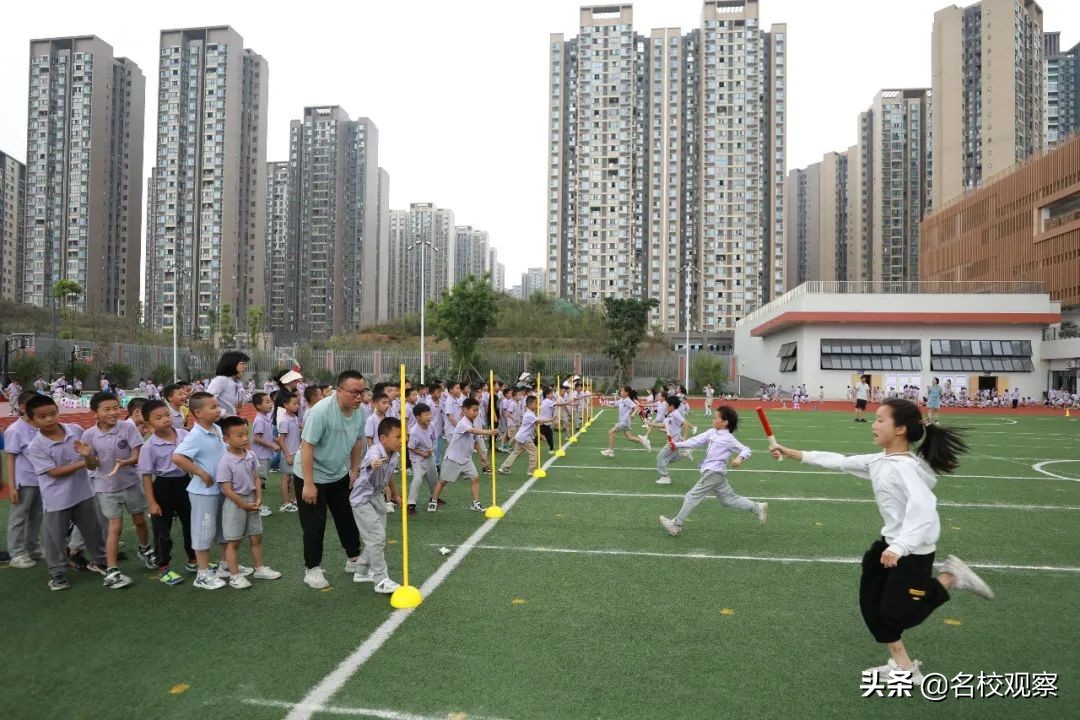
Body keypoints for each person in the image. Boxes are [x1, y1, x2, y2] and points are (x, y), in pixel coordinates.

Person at [769, 398, 995, 685]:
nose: (873, 426)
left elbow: (924, 508)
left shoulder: (904, 468)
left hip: (912, 552)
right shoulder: (882, 461)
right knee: (873, 607)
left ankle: (951, 578)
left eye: (880, 420)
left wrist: (900, 547)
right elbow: (839, 461)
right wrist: (792, 453)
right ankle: (902, 666)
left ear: (900, 429)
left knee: (899, 614)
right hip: (889, 547)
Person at [24, 395, 109, 590]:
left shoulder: (76, 430)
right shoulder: (36, 446)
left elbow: (92, 462)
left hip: (83, 492)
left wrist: (89, 458)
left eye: (53, 414)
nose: (49, 419)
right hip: (57, 499)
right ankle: (57, 574)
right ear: (31, 420)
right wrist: (83, 461)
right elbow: (53, 472)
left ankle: (100, 561)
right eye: (42, 416)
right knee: (55, 538)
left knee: (93, 531)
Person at [293, 370, 366, 590]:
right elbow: (307, 446)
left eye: (362, 392)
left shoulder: (360, 411)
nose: (359, 397)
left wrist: (354, 470)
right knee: (315, 525)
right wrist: (308, 483)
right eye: (354, 392)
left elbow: (357, 441)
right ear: (339, 391)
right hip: (311, 475)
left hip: (338, 474)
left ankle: (354, 559)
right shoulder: (321, 411)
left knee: (346, 518)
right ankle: (312, 569)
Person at [172, 392, 242, 591]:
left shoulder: (216, 429)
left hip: (219, 489)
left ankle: (225, 565)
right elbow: (178, 457)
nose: (218, 409)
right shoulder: (195, 435)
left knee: (222, 529)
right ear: (198, 413)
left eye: (217, 405)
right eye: (212, 407)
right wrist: (200, 472)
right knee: (204, 531)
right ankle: (202, 574)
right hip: (204, 492)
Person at [82, 392, 153, 588]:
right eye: (107, 409)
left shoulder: (128, 428)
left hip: (130, 483)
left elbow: (137, 455)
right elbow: (91, 466)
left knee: (140, 520)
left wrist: (124, 462)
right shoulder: (89, 435)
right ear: (95, 412)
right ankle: (112, 570)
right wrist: (88, 456)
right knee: (116, 527)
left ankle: (145, 549)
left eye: (115, 408)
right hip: (105, 488)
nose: (113, 412)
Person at [659, 406, 765, 535]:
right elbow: (695, 441)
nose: (713, 420)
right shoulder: (711, 432)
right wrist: (676, 444)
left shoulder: (728, 438)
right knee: (728, 500)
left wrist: (739, 458)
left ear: (725, 422)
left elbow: (746, 449)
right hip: (714, 474)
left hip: (714, 473)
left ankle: (676, 524)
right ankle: (758, 507)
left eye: (716, 418)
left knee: (691, 496)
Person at [216, 416, 282, 589]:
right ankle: (235, 575)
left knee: (256, 536)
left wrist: (258, 498)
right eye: (239, 435)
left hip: (251, 500)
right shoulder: (225, 461)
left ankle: (259, 567)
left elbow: (256, 477)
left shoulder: (251, 455)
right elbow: (227, 489)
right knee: (234, 541)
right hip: (235, 503)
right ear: (226, 439)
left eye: (246, 434)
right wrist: (242, 504)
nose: (245, 438)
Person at [138, 399, 196, 586]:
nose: (165, 420)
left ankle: (193, 559)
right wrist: (152, 502)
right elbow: (146, 476)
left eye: (167, 415)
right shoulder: (149, 446)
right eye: (159, 418)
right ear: (148, 425)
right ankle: (164, 567)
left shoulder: (182, 434)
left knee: (191, 523)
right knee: (162, 530)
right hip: (163, 487)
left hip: (184, 484)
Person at [349, 416, 402, 594]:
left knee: (377, 536)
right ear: (383, 438)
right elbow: (372, 460)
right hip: (362, 499)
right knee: (377, 537)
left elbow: (389, 476)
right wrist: (374, 463)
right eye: (398, 437)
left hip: (377, 497)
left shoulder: (396, 455)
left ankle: (362, 571)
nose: (402, 440)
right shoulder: (375, 451)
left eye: (403, 436)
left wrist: (395, 494)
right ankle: (380, 579)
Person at [428, 398, 498, 512]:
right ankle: (433, 501)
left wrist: (482, 456)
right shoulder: (462, 423)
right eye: (473, 410)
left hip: (466, 459)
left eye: (477, 410)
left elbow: (476, 441)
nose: (476, 413)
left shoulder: (473, 423)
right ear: (465, 410)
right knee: (443, 481)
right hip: (453, 458)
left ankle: (476, 503)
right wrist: (488, 432)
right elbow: (472, 431)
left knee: (475, 478)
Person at [5, 391, 46, 569]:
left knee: (37, 516)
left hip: (41, 480)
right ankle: (16, 553)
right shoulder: (15, 430)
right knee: (19, 517)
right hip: (24, 481)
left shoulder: (39, 427)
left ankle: (33, 547)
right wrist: (12, 486)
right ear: (22, 408)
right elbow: (10, 459)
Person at [405, 402, 439, 515]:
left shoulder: (432, 425)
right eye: (426, 415)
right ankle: (411, 504)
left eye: (430, 414)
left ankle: (434, 498)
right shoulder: (414, 431)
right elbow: (410, 448)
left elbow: (434, 439)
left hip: (429, 456)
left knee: (433, 478)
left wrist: (432, 448)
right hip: (417, 459)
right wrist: (421, 453)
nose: (429, 417)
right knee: (417, 479)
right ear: (418, 417)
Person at [651, 395, 691, 486]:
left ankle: (665, 477)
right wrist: (651, 424)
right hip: (673, 442)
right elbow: (664, 425)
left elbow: (685, 424)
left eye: (667, 405)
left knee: (660, 457)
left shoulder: (676, 413)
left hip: (674, 442)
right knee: (670, 459)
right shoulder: (670, 414)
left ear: (672, 406)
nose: (665, 406)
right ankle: (685, 454)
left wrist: (684, 438)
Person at [499, 395, 541, 476]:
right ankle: (531, 470)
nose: (537, 404)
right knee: (534, 451)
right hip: (524, 437)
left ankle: (504, 467)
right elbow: (539, 421)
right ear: (530, 404)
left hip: (520, 436)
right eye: (536, 403)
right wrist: (550, 419)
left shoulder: (531, 413)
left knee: (516, 452)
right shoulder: (529, 414)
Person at [601, 387, 650, 456]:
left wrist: (633, 414)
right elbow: (614, 406)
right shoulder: (621, 400)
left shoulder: (628, 401)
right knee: (629, 437)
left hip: (624, 422)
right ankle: (644, 442)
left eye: (622, 391)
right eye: (620, 391)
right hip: (624, 422)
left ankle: (610, 450)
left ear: (626, 393)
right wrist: (605, 404)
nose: (620, 392)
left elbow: (636, 407)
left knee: (611, 432)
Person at [250, 392, 277, 517]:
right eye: (267, 402)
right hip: (260, 455)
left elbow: (268, 435)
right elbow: (256, 438)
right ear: (258, 406)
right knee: (258, 481)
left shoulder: (265, 418)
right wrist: (272, 445)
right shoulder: (260, 420)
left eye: (270, 401)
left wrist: (277, 441)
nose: (270, 404)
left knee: (260, 480)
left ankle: (257, 504)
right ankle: (257, 506)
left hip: (263, 455)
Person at [276, 392, 301, 512]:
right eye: (294, 403)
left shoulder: (295, 418)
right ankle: (285, 503)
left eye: (298, 403)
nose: (297, 406)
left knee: (296, 478)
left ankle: (293, 500)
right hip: (289, 453)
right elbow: (281, 440)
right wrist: (287, 455)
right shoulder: (284, 420)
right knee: (286, 477)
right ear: (286, 404)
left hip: (296, 452)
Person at [207, 351, 249, 419]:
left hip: (230, 422)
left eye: (245, 364)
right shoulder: (220, 380)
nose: (245, 367)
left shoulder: (238, 383)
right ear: (231, 364)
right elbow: (207, 401)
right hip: (220, 422)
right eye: (242, 363)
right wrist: (226, 415)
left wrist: (235, 417)